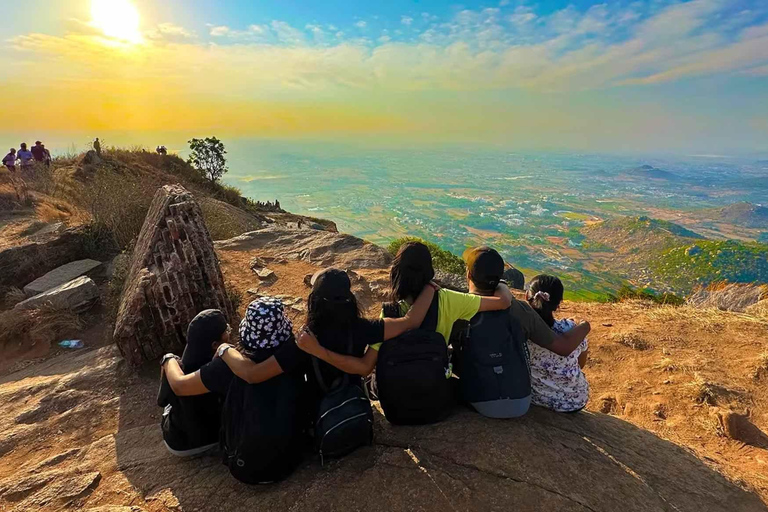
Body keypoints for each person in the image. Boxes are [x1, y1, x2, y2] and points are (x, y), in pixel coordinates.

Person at [224, 268, 437, 412]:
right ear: (349, 298)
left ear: (314, 300)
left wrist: (225, 349)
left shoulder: (305, 341)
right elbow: (411, 321)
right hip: (355, 404)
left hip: (322, 413)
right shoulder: (363, 328)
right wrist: (429, 288)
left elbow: (252, 374)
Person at [159, 300, 308, 458]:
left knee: (171, 399)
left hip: (183, 438)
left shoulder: (213, 366)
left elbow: (179, 386)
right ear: (215, 344)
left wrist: (168, 359)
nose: (230, 332)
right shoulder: (291, 353)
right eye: (227, 330)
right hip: (196, 440)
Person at [454, 247, 591, 418]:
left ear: (468, 274)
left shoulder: (456, 307)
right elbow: (562, 347)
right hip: (520, 402)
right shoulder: (520, 310)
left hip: (480, 398)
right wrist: (585, 326)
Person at [526, 274, 590, 413]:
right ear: (558, 303)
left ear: (527, 296)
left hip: (534, 398)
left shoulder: (522, 329)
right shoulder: (572, 330)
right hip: (574, 402)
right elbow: (581, 364)